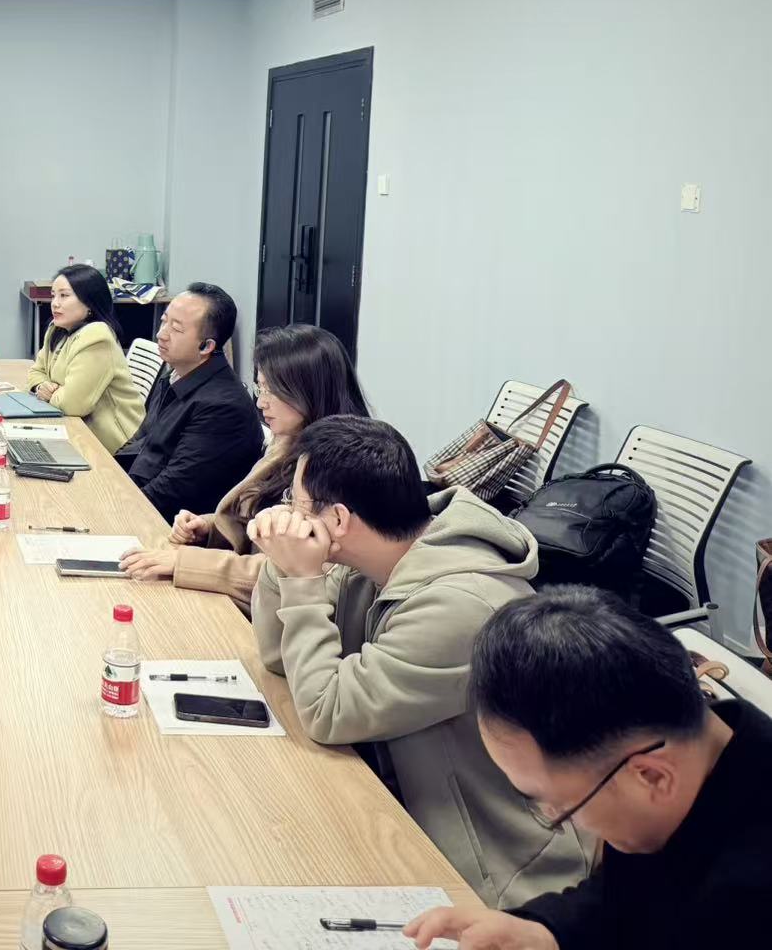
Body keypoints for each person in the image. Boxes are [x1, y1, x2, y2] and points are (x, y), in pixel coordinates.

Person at [248, 415, 590, 906]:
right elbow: (280, 656)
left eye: (297, 506)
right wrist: (283, 565)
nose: (290, 516)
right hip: (399, 808)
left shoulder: (459, 606)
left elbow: (327, 712)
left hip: (496, 871)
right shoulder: (374, 561)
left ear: (338, 520)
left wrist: (302, 580)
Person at [406, 587, 772, 949]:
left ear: (653, 776)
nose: (553, 816)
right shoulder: (692, 750)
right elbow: (624, 896)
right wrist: (545, 932)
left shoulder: (748, 897)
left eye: (560, 807)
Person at [119, 324, 368, 612]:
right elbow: (252, 515)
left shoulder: (340, 466)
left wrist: (186, 563)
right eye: (260, 388)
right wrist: (207, 528)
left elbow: (294, 570)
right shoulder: (287, 440)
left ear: (310, 390)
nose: (261, 402)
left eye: (273, 391)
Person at [115, 282, 263, 523]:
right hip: (138, 499)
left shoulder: (223, 408)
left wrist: (115, 507)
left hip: (172, 525)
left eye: (176, 329)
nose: (161, 334)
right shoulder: (175, 374)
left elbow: (173, 490)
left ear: (206, 346)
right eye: (163, 321)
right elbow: (140, 443)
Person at [23, 264, 144, 453]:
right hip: (76, 430)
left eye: (64, 295)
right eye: (53, 295)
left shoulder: (97, 336)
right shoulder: (57, 329)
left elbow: (72, 404)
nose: (55, 303)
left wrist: (51, 393)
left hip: (116, 446)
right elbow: (36, 371)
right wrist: (41, 386)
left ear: (89, 302)